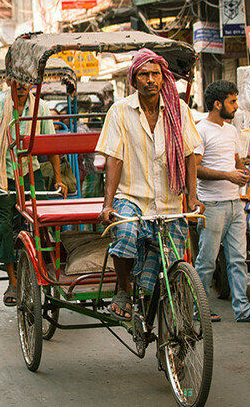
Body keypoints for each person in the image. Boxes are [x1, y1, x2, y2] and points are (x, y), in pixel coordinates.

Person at [97, 49, 203, 321]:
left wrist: (192, 199)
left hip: (168, 201)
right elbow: (114, 158)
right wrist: (108, 204)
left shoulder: (179, 110)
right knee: (125, 230)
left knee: (173, 266)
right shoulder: (120, 111)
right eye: (144, 74)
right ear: (134, 79)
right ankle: (122, 287)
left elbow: (190, 155)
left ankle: (169, 328)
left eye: (155, 74)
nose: (150, 80)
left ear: (163, 77)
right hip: (131, 196)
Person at [194, 80, 250, 323]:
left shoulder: (231, 131)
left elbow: (236, 162)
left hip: (234, 204)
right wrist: (227, 175)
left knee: (239, 259)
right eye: (232, 101)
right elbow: (196, 169)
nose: (237, 106)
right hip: (212, 205)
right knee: (207, 261)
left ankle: (243, 309)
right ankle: (199, 308)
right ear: (218, 104)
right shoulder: (201, 130)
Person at [0, 80, 67, 307]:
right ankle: (12, 281)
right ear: (9, 80)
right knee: (3, 227)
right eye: (16, 79)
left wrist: (58, 180)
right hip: (4, 173)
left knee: (43, 224)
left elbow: (50, 145)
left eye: (25, 80)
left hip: (32, 173)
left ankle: (48, 270)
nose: (20, 85)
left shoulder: (40, 106)